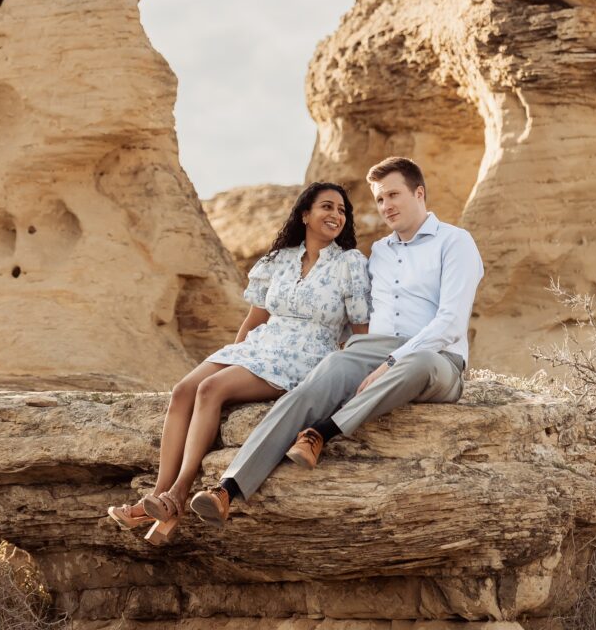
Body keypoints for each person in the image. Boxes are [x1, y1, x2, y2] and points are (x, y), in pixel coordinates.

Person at [189, 156, 483, 524]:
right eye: (379, 199)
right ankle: (227, 489)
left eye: (393, 194)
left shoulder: (455, 242)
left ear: (419, 193)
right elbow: (350, 310)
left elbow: (450, 322)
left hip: (437, 359)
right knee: (316, 384)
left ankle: (322, 433)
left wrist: (391, 363)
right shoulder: (379, 253)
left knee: (416, 363)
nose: (386, 205)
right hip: (373, 350)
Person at [107, 182, 370, 544]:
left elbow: (362, 330)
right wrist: (234, 355)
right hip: (260, 346)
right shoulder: (279, 260)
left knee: (211, 389)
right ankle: (156, 493)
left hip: (305, 355)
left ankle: (178, 494)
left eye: (342, 211)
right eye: (327, 207)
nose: (336, 215)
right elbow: (255, 319)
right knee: (185, 390)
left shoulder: (350, 264)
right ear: (305, 214)